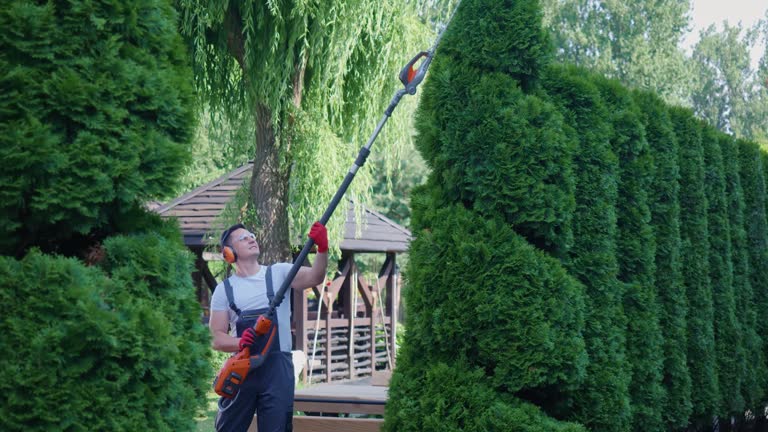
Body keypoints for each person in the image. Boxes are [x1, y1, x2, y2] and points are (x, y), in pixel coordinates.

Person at [210, 222, 328, 432]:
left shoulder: (279, 273)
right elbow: (217, 338)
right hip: (243, 368)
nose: (251, 238)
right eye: (243, 238)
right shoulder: (224, 290)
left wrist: (322, 249)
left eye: (252, 235)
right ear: (228, 253)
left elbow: (315, 277)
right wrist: (240, 341)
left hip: (278, 370)